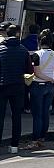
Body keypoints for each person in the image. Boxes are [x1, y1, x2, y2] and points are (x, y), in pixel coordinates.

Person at [0, 25, 33, 154]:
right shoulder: (23, 50)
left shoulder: (1, 49)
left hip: (2, 85)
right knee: (16, 116)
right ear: (18, 34)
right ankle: (14, 145)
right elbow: (29, 70)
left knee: (0, 116)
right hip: (18, 85)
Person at [30, 30, 54, 148]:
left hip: (39, 85)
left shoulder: (36, 54)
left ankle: (35, 139)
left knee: (37, 114)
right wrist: (51, 79)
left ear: (39, 42)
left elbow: (36, 72)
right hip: (51, 87)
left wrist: (48, 78)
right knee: (46, 112)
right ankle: (42, 136)